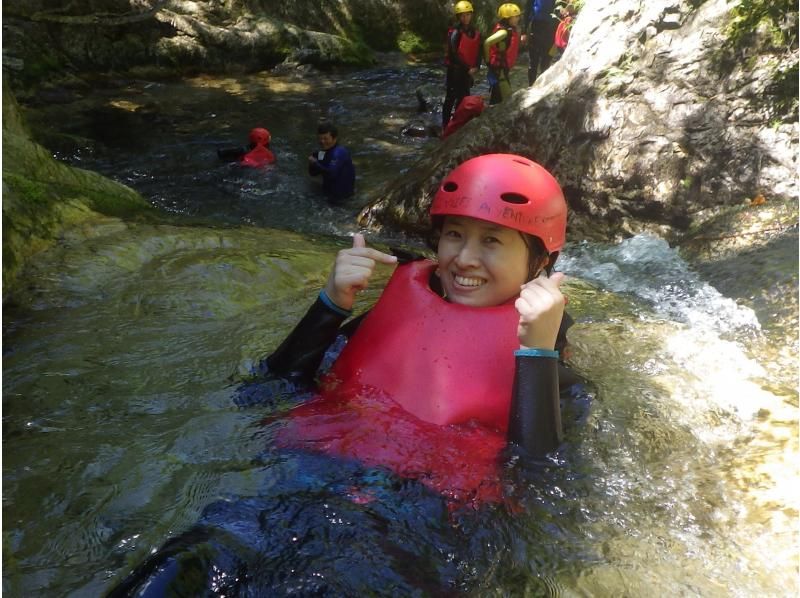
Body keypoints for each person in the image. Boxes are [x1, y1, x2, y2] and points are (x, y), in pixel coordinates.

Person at [266, 153, 576, 461]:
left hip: (429, 498)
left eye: (491, 240)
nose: (464, 259)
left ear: (540, 262)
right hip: (318, 460)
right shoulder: (402, 308)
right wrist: (331, 304)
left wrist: (539, 356)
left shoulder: (549, 356)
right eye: (454, 234)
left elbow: (539, 476)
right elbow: (270, 389)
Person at [442, 1, 482, 130]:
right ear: (458, 17)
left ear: (471, 15)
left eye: (467, 15)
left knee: (464, 98)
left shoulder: (473, 31)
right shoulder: (455, 32)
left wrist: (477, 65)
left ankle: (459, 124)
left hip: (467, 72)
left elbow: (479, 50)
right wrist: (468, 68)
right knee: (450, 99)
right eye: (462, 15)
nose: (465, 18)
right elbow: (454, 54)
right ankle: (445, 126)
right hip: (455, 71)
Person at [483, 3, 523, 105]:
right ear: (507, 18)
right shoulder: (504, 32)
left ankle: (489, 117)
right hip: (498, 70)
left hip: (501, 69)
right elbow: (487, 42)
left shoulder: (508, 29)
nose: (518, 19)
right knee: (506, 99)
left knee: (497, 97)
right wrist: (488, 62)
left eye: (518, 16)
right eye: (515, 17)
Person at [308, 122, 355, 202]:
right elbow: (313, 173)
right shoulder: (321, 153)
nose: (322, 141)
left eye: (325, 139)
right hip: (327, 193)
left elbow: (331, 174)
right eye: (320, 138)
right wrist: (312, 164)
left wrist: (315, 163)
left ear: (334, 138)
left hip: (341, 198)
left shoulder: (339, 152)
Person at [525, 0, 559, 85]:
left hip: (551, 30)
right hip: (536, 27)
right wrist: (523, 31)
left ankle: (543, 85)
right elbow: (527, 10)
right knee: (533, 61)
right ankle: (531, 85)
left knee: (546, 60)